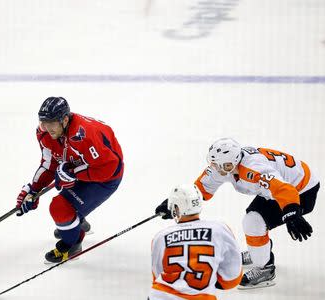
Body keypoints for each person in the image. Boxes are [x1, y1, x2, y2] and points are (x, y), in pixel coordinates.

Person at [158, 137, 319, 289]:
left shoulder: (253, 169)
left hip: (302, 190)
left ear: (232, 163)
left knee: (253, 222)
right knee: (255, 219)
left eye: (222, 166)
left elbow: (285, 190)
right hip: (280, 187)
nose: (216, 169)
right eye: (213, 164)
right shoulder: (222, 166)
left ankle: (265, 268)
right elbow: (200, 189)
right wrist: (174, 203)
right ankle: (259, 251)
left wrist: (292, 213)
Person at [15, 97, 124, 263]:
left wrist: (74, 174)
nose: (46, 128)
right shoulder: (45, 132)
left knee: (59, 208)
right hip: (79, 167)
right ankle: (75, 220)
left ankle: (72, 243)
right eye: (43, 122)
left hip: (104, 177)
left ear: (65, 120)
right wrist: (34, 189)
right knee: (66, 213)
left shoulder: (84, 135)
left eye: (51, 123)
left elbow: (111, 168)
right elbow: (50, 163)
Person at [150, 185, 242, 300]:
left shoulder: (160, 236)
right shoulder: (220, 229)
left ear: (175, 207)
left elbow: (157, 274)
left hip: (160, 296)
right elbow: (232, 278)